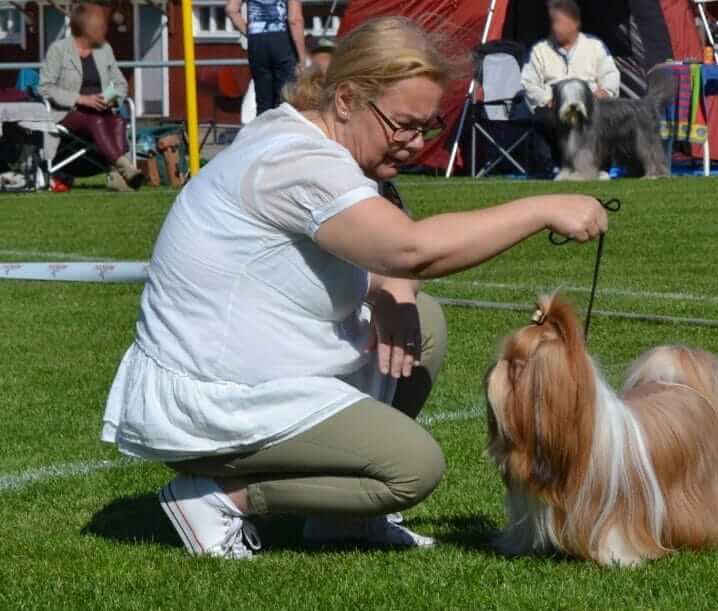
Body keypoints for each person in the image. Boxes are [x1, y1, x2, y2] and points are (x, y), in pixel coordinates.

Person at [101, 17, 608, 560]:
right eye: (404, 126)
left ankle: (342, 521)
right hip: (211, 396)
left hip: (251, 364)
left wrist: (397, 288)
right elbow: (410, 249)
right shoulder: (299, 164)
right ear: (346, 100)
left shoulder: (306, 135)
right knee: (412, 470)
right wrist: (544, 207)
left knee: (422, 320)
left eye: (428, 128)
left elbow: (390, 256)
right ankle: (220, 496)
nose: (415, 144)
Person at [39, 4, 143, 191]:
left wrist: (109, 97)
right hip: (68, 112)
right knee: (95, 120)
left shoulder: (105, 49)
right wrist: (80, 99)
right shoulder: (59, 49)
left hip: (102, 109)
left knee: (118, 120)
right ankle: (123, 167)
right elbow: (46, 88)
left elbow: (121, 84)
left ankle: (116, 177)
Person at [521, 0, 620, 175]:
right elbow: (529, 83)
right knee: (544, 119)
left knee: (606, 115)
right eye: (553, 23)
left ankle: (601, 169)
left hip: (590, 103)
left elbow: (610, 74)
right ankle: (550, 168)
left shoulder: (594, 46)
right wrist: (546, 99)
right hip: (554, 105)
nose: (555, 27)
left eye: (560, 23)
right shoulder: (540, 50)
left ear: (574, 24)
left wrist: (606, 91)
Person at [227, 0, 309, 116]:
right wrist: (302, 56)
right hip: (282, 42)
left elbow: (231, 9)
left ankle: (263, 132)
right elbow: (294, 19)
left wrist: (249, 32)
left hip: (257, 43)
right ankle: (281, 132)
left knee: (263, 103)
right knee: (284, 101)